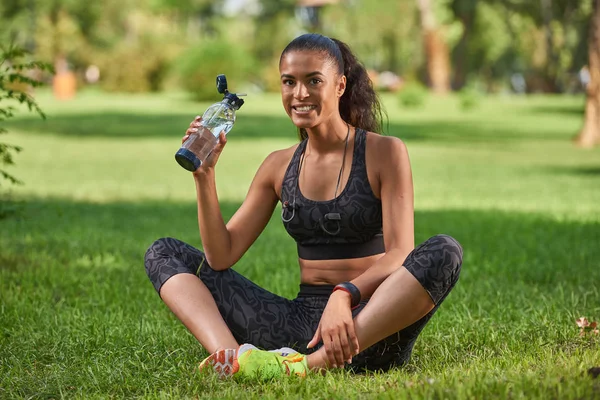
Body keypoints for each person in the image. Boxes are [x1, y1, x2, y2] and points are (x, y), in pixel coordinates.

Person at [144, 33, 463, 380]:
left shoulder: (384, 152)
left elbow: (400, 252)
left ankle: (306, 367)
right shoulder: (278, 166)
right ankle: (237, 360)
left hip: (372, 326)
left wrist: (345, 294)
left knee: (444, 251)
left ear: (339, 86)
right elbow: (221, 256)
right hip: (299, 328)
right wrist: (204, 177)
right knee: (164, 253)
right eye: (289, 82)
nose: (300, 93)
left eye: (314, 81)